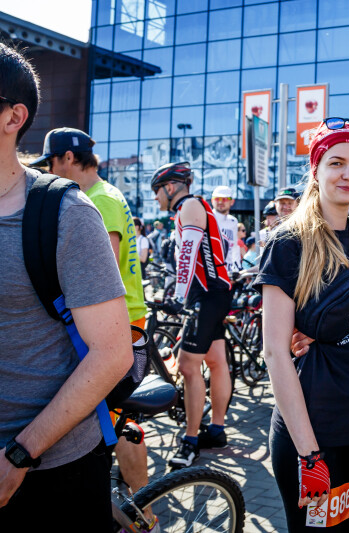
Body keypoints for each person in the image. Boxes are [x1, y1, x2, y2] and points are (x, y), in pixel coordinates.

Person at [0, 43, 133, 527]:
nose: (52, 164)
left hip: (48, 470)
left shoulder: (75, 209)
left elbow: (111, 351)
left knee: (131, 430)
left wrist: (20, 454)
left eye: (58, 159)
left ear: (14, 117)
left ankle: (140, 502)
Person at [254, 118, 349, 532]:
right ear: (316, 169)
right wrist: (310, 456)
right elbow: (275, 353)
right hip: (316, 435)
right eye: (337, 163)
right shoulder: (289, 242)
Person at [151, 162, 233, 468]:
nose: (156, 198)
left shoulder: (189, 206)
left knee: (187, 366)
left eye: (157, 191)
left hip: (206, 294)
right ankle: (217, 430)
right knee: (216, 361)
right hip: (216, 291)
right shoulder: (198, 207)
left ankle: (190, 440)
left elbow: (188, 253)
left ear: (170, 187)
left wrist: (177, 297)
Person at [32, 127, 148, 331]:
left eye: (50, 162)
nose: (49, 171)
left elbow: (104, 272)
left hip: (117, 319)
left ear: (68, 157)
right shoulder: (103, 193)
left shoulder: (100, 199)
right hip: (122, 315)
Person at [211, 185, 241, 275]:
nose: (220, 202)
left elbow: (234, 246)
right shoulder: (207, 218)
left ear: (232, 202)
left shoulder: (233, 221)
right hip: (211, 270)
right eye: (217, 199)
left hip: (228, 271)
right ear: (212, 200)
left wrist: (236, 269)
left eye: (224, 199)